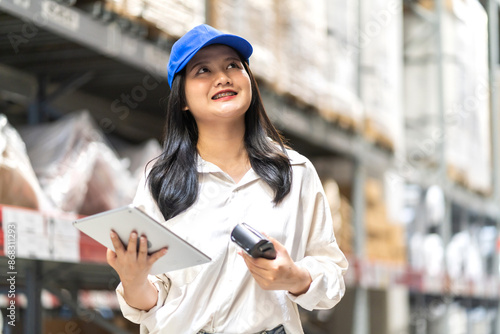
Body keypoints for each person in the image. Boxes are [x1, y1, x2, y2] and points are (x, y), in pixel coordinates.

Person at [106, 24, 348, 334]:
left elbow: (332, 274)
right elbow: (150, 301)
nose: (223, 77)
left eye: (233, 65)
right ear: (182, 98)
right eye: (203, 70)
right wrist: (134, 278)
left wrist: (297, 278)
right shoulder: (161, 178)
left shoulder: (295, 172)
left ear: (249, 80)